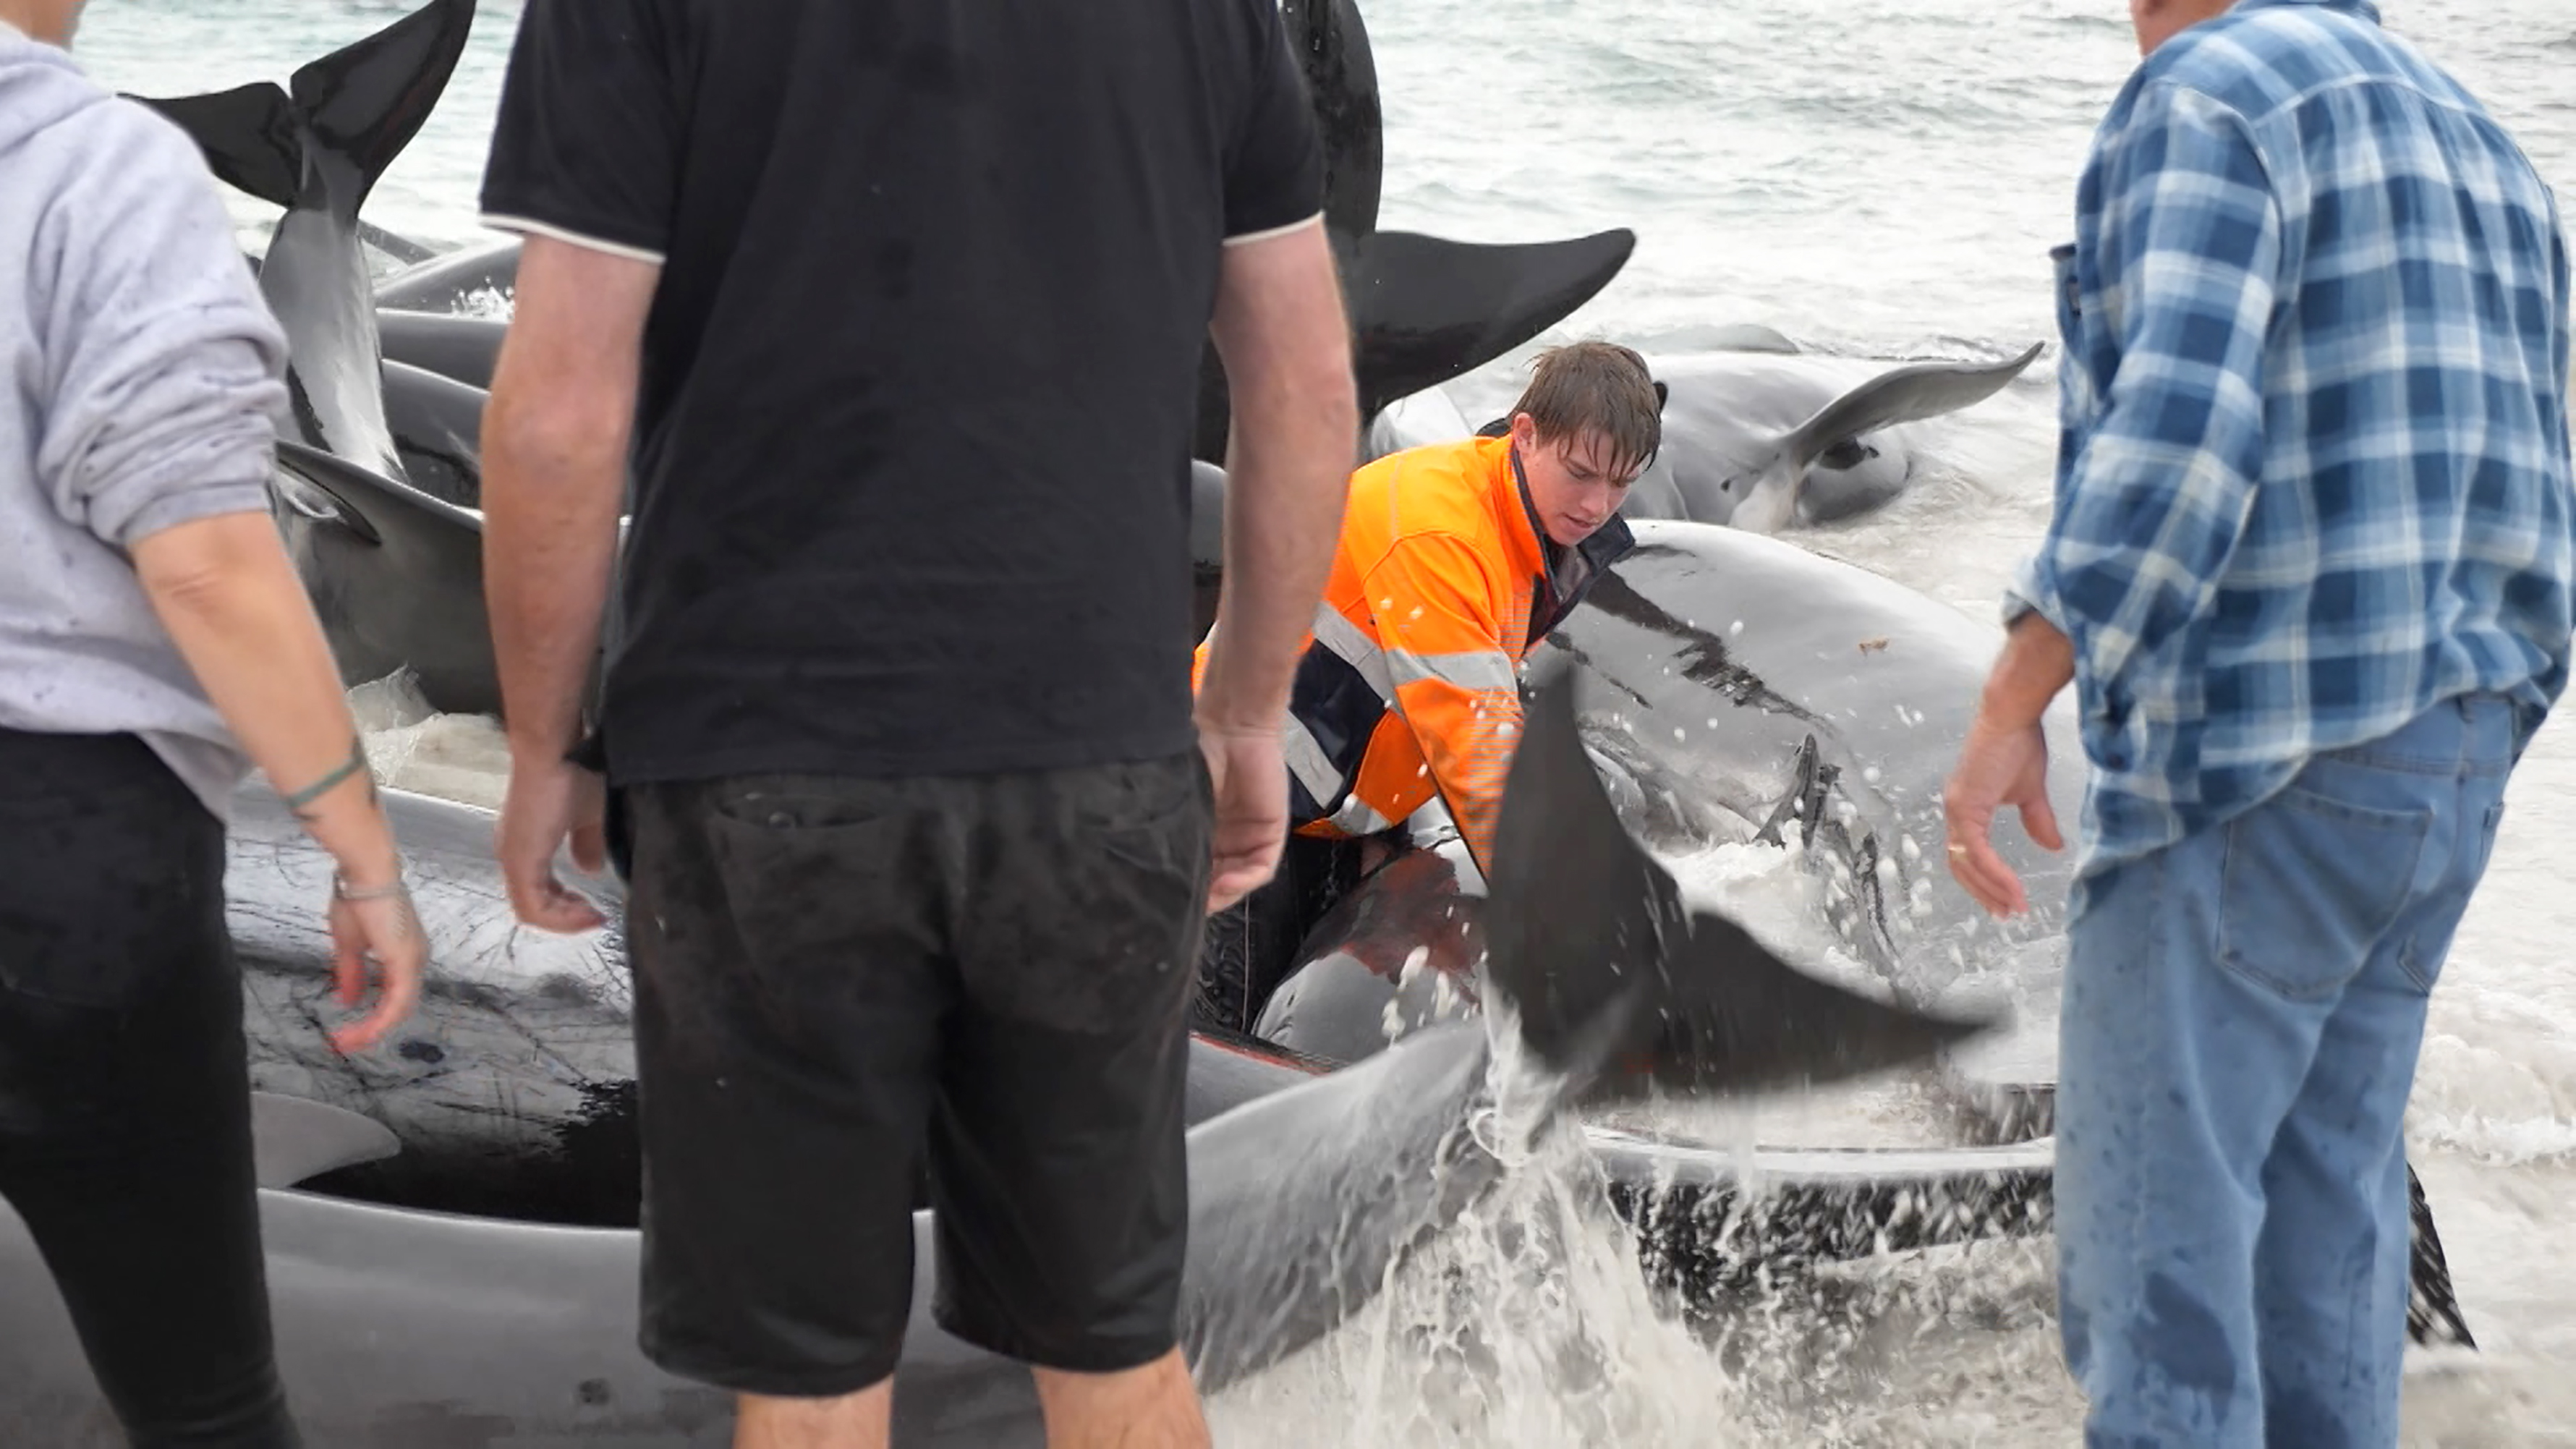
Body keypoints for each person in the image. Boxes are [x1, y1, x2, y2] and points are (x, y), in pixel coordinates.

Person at [471, 0, 1356, 1443]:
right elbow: (1308, 384)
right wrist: (1246, 704)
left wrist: (542, 737)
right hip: (1093, 753)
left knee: (812, 1377)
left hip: (760, 760)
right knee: (1113, 1343)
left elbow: (559, 406)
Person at [1940, 0, 2572, 1442]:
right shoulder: (2481, 135)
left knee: (2161, 1289)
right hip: (2445, 763)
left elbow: (2172, 440)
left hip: (2256, 765)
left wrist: (2008, 698)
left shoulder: (2208, 95)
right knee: (2324, 1250)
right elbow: (2536, 476)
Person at [0, 1, 430, 1443]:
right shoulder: (91, 164)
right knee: (201, 1401)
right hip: (66, 853)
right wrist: (361, 843)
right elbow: (204, 555)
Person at [1193, 341, 1661, 1034]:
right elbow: (1479, 751)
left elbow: (1441, 697)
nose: (1597, 505)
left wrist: (1388, 828)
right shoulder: (1438, 531)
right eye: (1580, 474)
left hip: (1322, 806)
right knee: (1232, 1036)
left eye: (1621, 483)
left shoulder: (1535, 526)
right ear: (1524, 434)